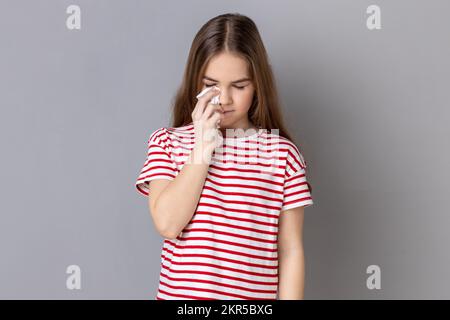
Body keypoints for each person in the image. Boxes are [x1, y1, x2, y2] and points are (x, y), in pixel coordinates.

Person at [135, 13, 314, 300]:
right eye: (212, 84)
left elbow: (290, 250)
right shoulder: (168, 143)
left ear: (257, 85)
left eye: (240, 86)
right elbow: (168, 224)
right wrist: (203, 144)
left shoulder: (282, 155)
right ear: (195, 80)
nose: (226, 98)